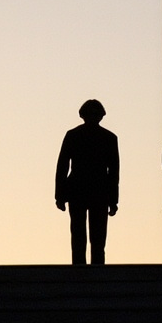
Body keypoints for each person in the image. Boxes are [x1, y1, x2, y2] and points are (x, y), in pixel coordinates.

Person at [55, 99, 119, 265]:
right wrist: (113, 200)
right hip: (98, 191)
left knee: (79, 235)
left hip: (78, 189)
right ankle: (96, 269)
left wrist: (60, 195)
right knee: (96, 237)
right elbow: (113, 173)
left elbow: (62, 166)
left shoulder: (73, 135)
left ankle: (79, 269)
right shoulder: (109, 138)